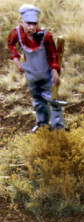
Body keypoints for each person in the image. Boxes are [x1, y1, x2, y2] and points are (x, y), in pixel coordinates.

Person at [8, 4, 66, 132]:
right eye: (28, 23)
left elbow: (53, 54)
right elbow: (11, 43)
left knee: (54, 99)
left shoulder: (46, 35)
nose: (31, 27)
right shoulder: (16, 33)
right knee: (38, 100)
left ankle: (59, 125)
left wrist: (55, 71)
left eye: (34, 24)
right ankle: (43, 124)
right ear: (22, 22)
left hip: (46, 74)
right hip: (31, 75)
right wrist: (16, 60)